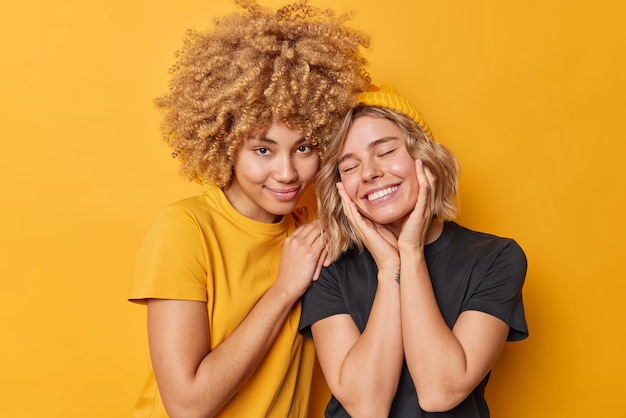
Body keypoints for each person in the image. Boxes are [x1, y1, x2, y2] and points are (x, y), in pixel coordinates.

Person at [128, 1, 371, 417]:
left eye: (305, 148)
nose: (287, 172)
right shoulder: (186, 228)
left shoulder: (315, 229)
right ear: (226, 143)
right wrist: (284, 289)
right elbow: (187, 405)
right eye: (263, 149)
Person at [299, 84, 528, 417]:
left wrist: (411, 253)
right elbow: (366, 406)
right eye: (349, 167)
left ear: (424, 157)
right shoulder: (329, 264)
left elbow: (440, 391)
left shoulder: (496, 258)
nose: (370, 173)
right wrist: (389, 267)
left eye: (386, 151)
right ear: (340, 187)